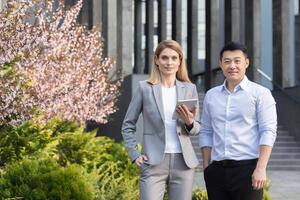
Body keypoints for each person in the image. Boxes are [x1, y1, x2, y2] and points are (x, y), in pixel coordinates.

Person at [122, 40, 200, 200]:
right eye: (164, 58)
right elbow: (128, 125)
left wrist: (189, 122)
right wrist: (134, 154)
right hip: (153, 162)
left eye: (174, 58)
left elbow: (197, 128)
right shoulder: (144, 88)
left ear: (180, 61)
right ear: (157, 60)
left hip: (183, 163)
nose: (169, 62)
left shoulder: (190, 89)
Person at [199, 41, 277, 200]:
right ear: (221, 64)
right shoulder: (211, 95)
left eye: (237, 61)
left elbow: (268, 131)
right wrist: (207, 166)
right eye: (227, 61)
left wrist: (260, 168)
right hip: (217, 171)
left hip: (248, 170)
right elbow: (206, 130)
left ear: (246, 63)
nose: (232, 66)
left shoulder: (260, 94)